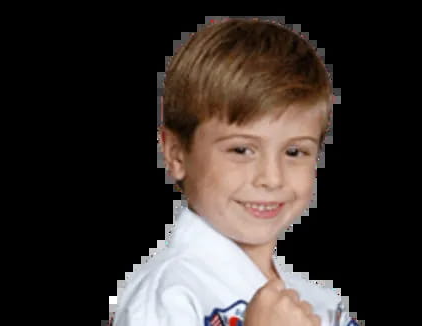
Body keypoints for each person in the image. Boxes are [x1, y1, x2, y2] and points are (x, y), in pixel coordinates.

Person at [114, 18, 357, 326]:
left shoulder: (321, 305)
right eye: (242, 150)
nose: (272, 178)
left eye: (294, 152)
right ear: (176, 154)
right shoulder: (169, 295)